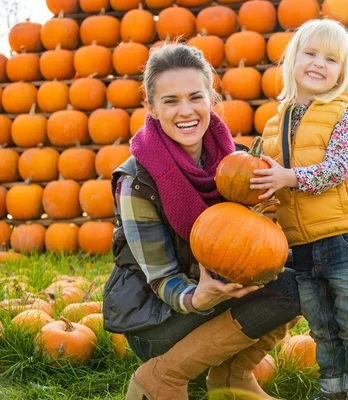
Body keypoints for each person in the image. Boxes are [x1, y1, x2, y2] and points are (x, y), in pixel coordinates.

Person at [102, 44, 300, 400]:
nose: (186, 111)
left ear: (211, 98)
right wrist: (197, 297)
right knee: (283, 288)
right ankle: (161, 376)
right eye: (170, 101)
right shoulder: (137, 181)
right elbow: (162, 279)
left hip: (219, 296)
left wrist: (267, 211)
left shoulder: (238, 165)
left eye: (195, 97)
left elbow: (251, 243)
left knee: (299, 281)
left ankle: (232, 377)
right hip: (159, 319)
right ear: (151, 108)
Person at [249, 19, 348, 400]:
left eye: (332, 59)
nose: (319, 64)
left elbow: (337, 170)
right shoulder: (276, 123)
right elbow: (267, 175)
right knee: (321, 326)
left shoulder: (342, 113)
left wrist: (288, 177)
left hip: (345, 237)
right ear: (292, 59)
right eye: (310, 53)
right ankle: (332, 390)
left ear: (343, 72)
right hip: (303, 241)